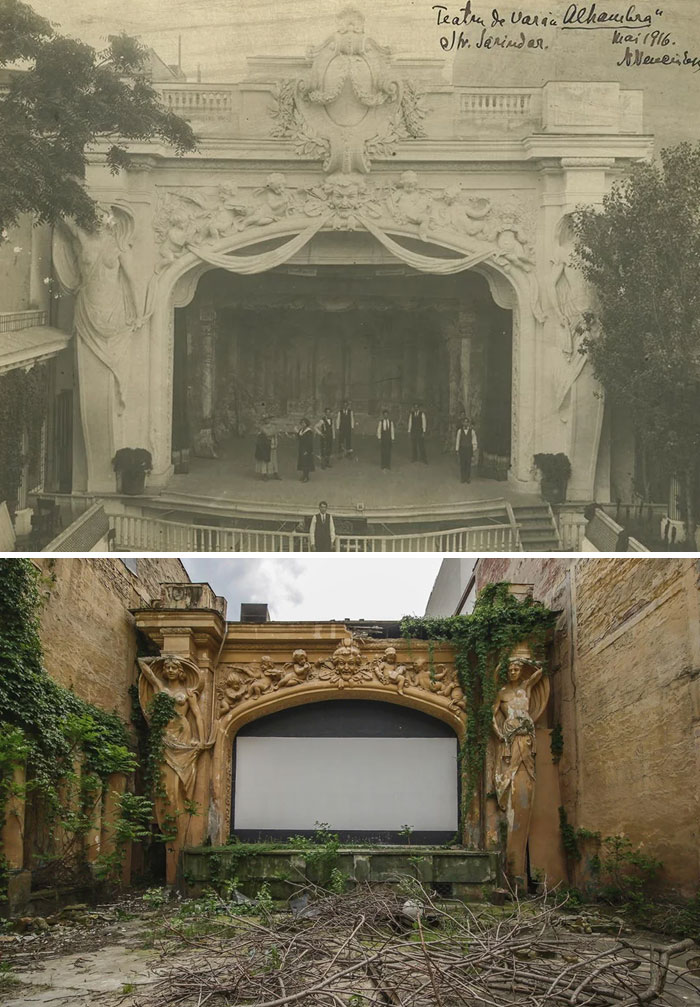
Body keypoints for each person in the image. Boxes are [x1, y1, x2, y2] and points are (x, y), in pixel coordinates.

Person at [456, 417, 478, 484]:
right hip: (462, 449)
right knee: (462, 464)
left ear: (468, 423)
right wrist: (457, 449)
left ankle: (468, 478)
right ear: (462, 423)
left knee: (468, 464)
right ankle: (463, 478)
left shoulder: (472, 431)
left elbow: (474, 441)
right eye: (464, 422)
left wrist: (474, 449)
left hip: (468, 449)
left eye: (467, 422)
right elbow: (458, 440)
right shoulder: (459, 431)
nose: (465, 423)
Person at [297, 418, 315, 482]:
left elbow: (309, 442)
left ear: (307, 424)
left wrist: (307, 451)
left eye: (304, 423)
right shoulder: (301, 430)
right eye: (302, 423)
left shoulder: (309, 431)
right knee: (302, 462)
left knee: (306, 463)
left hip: (307, 448)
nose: (303, 424)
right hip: (301, 448)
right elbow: (299, 438)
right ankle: (303, 475)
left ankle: (306, 477)